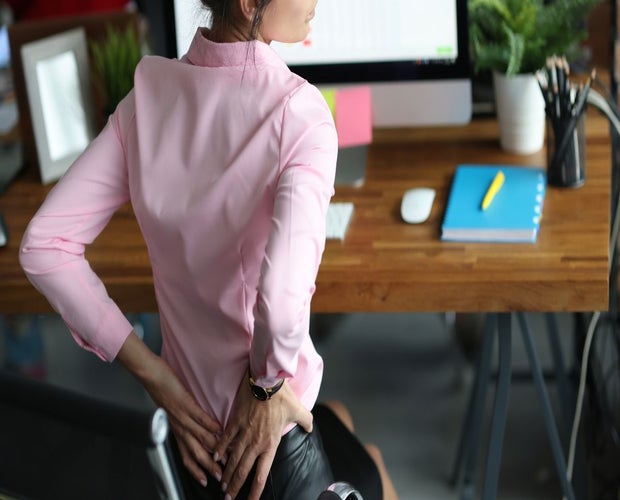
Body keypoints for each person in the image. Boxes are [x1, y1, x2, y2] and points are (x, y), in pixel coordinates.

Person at [19, 0, 397, 499]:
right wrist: (264, 385)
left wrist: (156, 376)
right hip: (269, 454)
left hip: (189, 443)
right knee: (370, 462)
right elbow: (281, 307)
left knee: (339, 419)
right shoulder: (299, 114)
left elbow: (44, 245)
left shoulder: (147, 97)